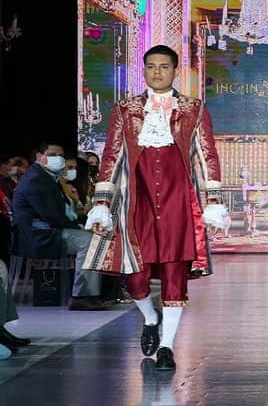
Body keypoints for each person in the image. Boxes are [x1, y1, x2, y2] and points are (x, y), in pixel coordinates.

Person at [85, 44, 226, 372]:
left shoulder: (193, 108)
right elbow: (111, 156)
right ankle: (150, 318)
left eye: (164, 66)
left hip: (179, 203)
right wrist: (102, 203)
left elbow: (207, 155)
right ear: (144, 70)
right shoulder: (125, 109)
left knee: (176, 277)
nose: (157, 72)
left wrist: (213, 203)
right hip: (138, 203)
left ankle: (166, 347)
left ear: (175, 71)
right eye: (151, 66)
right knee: (136, 279)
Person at [11, 142, 107, 310]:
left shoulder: (44, 176)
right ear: (40, 157)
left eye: (61, 155)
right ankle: (81, 296)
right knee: (90, 240)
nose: (58, 159)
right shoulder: (37, 179)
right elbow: (52, 216)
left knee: (94, 237)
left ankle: (97, 293)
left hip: (45, 231)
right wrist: (79, 227)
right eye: (52, 155)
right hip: (40, 236)